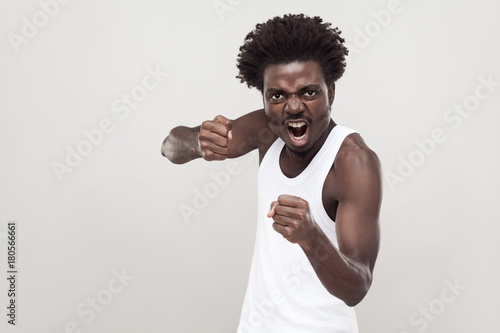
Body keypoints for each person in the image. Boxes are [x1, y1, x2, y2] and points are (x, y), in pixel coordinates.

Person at [161, 14, 382, 333]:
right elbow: (169, 148)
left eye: (308, 92)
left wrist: (311, 237)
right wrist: (196, 141)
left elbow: (357, 287)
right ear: (264, 99)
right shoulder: (266, 131)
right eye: (277, 95)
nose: (293, 107)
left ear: (330, 92)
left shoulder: (353, 162)